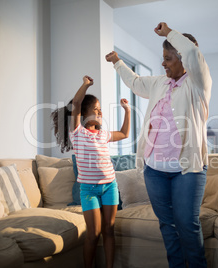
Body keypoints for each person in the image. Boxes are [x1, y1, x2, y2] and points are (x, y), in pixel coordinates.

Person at [106, 22, 212, 268]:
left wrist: (170, 34)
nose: (163, 63)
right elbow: (135, 82)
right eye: (162, 58)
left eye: (167, 58)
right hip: (154, 169)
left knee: (187, 224)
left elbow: (195, 55)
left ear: (182, 58)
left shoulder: (197, 85)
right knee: (167, 226)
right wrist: (118, 63)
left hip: (186, 170)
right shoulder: (159, 83)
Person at [51, 75, 131, 268]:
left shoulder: (103, 134)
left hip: (110, 186)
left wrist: (127, 110)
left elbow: (125, 133)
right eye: (96, 109)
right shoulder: (78, 132)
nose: (100, 111)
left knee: (109, 230)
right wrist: (85, 85)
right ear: (85, 113)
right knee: (93, 233)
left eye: (100, 108)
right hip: (88, 190)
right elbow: (76, 102)